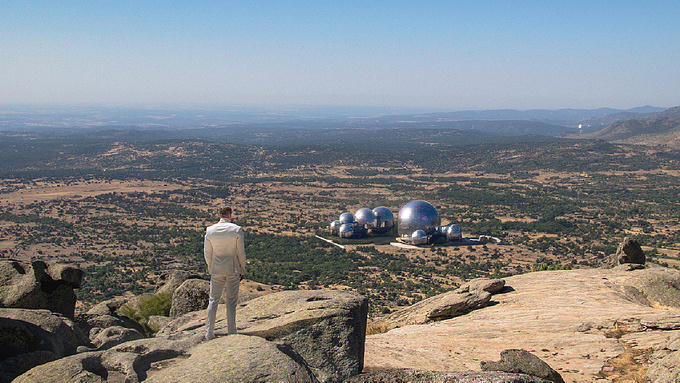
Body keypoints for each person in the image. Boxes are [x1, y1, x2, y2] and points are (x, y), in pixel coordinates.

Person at [204, 205, 246, 340]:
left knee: (213, 300)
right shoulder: (236, 229)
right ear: (230, 215)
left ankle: (209, 332)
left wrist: (210, 267)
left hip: (216, 269)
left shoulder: (210, 231)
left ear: (218, 216)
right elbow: (241, 252)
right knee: (231, 301)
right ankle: (232, 331)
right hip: (232, 268)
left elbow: (207, 252)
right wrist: (242, 269)